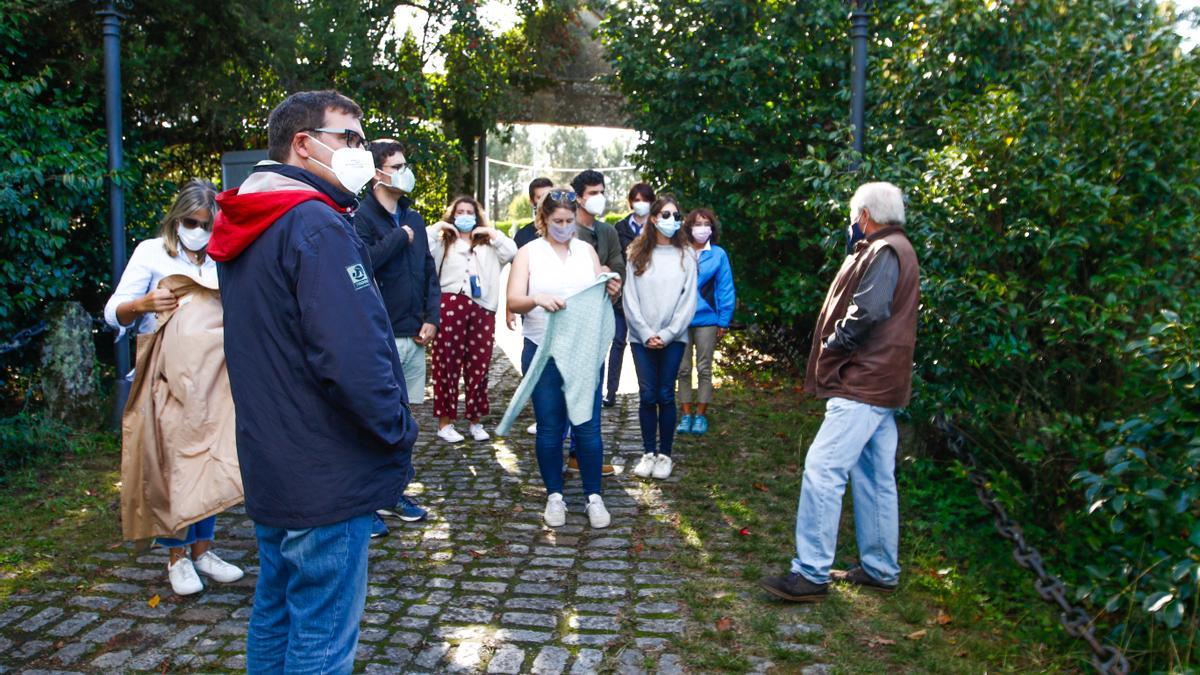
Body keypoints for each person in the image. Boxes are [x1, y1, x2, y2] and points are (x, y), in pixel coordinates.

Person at [210, 89, 418, 672]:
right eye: (349, 138)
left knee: (276, 608)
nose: (363, 151)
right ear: (303, 144)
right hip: (325, 465)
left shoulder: (256, 219)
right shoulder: (312, 224)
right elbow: (350, 356)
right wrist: (396, 428)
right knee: (322, 635)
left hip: (275, 455)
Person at [759, 182, 920, 603]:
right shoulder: (897, 246)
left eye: (854, 217)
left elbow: (868, 311)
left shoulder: (883, 250)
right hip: (883, 381)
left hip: (864, 381)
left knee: (822, 469)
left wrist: (835, 344)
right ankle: (881, 568)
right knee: (874, 475)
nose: (852, 224)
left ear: (865, 215)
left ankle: (810, 573)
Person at [104, 179, 244, 596]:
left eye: (206, 224)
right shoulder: (152, 252)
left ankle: (203, 550)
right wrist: (143, 304)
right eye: (191, 222)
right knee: (175, 466)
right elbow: (114, 312)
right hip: (167, 378)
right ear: (176, 219)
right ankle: (177, 557)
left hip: (216, 378)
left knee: (213, 460)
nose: (198, 230)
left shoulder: (221, 256)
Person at [506, 187, 622, 528]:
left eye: (570, 221)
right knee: (549, 426)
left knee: (588, 427)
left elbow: (599, 297)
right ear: (543, 219)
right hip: (542, 349)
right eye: (558, 220)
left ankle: (593, 496)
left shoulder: (586, 251)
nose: (565, 226)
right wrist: (537, 298)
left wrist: (610, 289)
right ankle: (554, 495)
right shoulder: (528, 253)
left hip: (582, 351)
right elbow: (514, 300)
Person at [353, 138, 436, 525]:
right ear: (377, 173)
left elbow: (429, 272)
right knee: (374, 419)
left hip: (414, 334)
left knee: (406, 420)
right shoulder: (359, 216)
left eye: (406, 164)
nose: (406, 172)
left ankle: (395, 492)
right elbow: (363, 263)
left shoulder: (413, 216)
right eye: (397, 165)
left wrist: (431, 317)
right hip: (376, 336)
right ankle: (367, 502)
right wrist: (398, 238)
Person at [428, 196, 517, 443]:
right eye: (460, 211)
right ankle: (445, 422)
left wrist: (490, 231)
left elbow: (512, 252)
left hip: (482, 308)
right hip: (450, 305)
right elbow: (421, 247)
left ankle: (475, 420)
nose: (465, 216)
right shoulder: (443, 241)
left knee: (479, 365)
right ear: (453, 215)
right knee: (446, 363)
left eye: (470, 212)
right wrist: (439, 228)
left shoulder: (488, 244)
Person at [624, 197, 697, 481]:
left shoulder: (687, 255)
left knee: (666, 394)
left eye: (677, 216)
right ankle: (648, 453)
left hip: (674, 337)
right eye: (666, 214)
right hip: (640, 337)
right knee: (647, 394)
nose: (672, 220)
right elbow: (629, 297)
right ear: (653, 218)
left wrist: (667, 334)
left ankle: (665, 454)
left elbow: (688, 300)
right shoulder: (635, 252)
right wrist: (644, 332)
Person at [567, 170, 624, 475]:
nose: (598, 197)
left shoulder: (608, 232)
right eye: (592, 192)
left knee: (592, 389)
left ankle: (583, 455)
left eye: (601, 191)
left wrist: (614, 279)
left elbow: (618, 265)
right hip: (568, 323)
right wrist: (595, 272)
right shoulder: (566, 229)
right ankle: (559, 449)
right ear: (578, 197)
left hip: (598, 322)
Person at [676, 208, 736, 436]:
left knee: (704, 368)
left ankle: (700, 415)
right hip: (680, 320)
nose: (702, 228)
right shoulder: (679, 252)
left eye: (706, 223)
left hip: (708, 319)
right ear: (689, 227)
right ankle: (685, 414)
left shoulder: (719, 254)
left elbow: (725, 288)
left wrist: (724, 319)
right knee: (682, 370)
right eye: (697, 223)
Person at [606, 182, 656, 408]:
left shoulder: (657, 228)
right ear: (630, 202)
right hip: (622, 296)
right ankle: (611, 391)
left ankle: (649, 389)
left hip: (648, 297)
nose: (640, 204)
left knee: (646, 342)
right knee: (618, 342)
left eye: (645, 200)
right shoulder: (620, 228)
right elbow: (615, 259)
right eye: (636, 200)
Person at [512, 176, 554, 250]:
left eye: (548, 196)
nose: (545, 200)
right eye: (540, 197)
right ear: (531, 202)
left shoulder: (567, 230)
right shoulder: (522, 236)